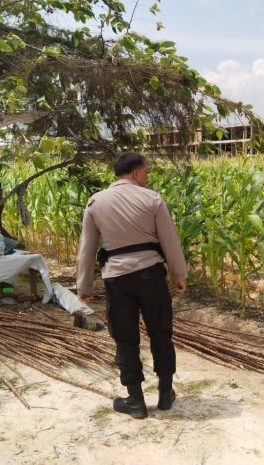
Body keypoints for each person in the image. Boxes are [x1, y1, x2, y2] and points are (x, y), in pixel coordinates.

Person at [76, 152, 188, 420]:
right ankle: (164, 393)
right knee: (161, 332)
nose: (146, 178)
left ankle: (135, 400)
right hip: (150, 274)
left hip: (116, 278)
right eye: (146, 173)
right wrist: (178, 273)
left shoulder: (96, 202)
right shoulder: (152, 198)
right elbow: (169, 239)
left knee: (125, 338)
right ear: (137, 172)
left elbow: (87, 248)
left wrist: (84, 285)